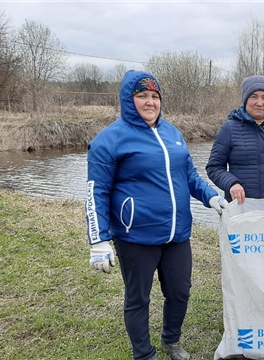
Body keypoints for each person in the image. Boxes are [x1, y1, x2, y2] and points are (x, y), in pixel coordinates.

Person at [86, 70, 227, 360]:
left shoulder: (172, 133)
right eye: (142, 96)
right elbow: (95, 191)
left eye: (154, 96)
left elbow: (189, 174)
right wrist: (98, 240)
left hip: (177, 234)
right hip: (135, 236)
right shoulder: (109, 140)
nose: (150, 102)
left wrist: (211, 196)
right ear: (128, 99)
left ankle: (171, 340)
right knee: (138, 298)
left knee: (180, 292)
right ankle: (144, 354)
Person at [206, 75, 264, 204]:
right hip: (240, 207)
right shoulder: (229, 128)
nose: (259, 103)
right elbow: (214, 168)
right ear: (245, 99)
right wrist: (232, 184)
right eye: (254, 96)